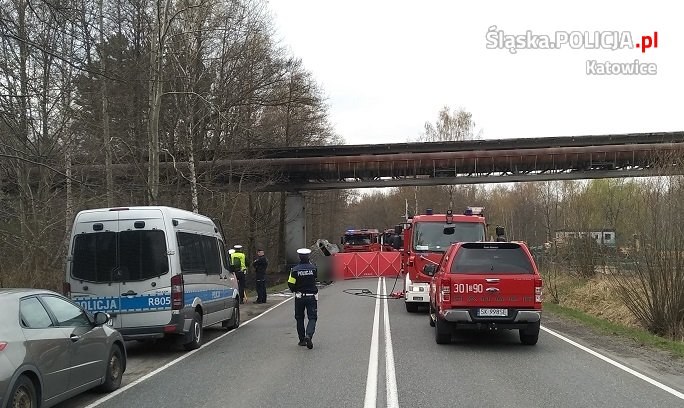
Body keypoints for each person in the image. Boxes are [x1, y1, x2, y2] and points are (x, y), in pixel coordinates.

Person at [287, 248, 318, 349]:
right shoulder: (313, 268)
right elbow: (315, 278)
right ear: (308, 256)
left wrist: (295, 290)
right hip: (311, 296)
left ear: (299, 257)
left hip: (299, 297)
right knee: (312, 317)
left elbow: (291, 283)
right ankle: (309, 335)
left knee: (299, 318)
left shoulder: (295, 269)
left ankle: (302, 340)